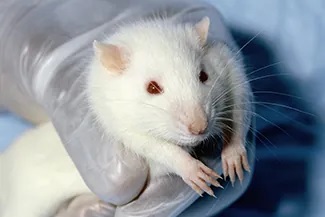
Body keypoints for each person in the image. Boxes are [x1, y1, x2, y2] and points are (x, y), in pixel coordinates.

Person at [0, 0, 256, 216]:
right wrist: (183, 164)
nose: (198, 124)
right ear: (113, 62)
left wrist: (235, 140)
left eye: (201, 77)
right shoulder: (110, 98)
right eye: (154, 89)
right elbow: (142, 142)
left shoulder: (207, 54)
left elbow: (227, 69)